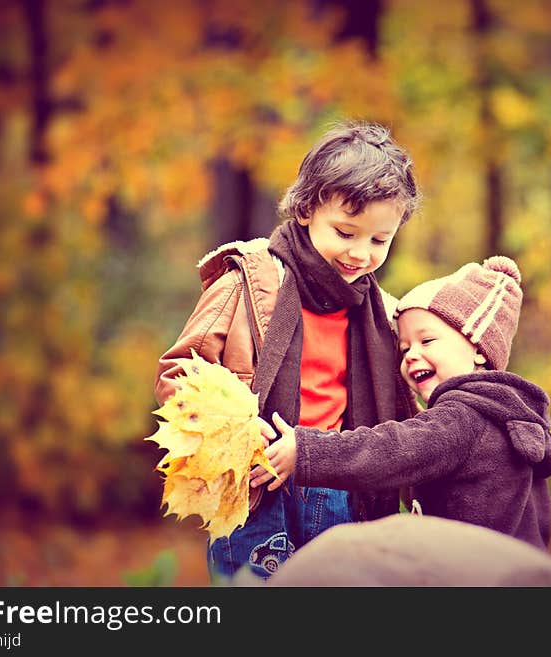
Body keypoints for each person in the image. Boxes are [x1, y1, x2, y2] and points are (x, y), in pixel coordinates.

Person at [154, 120, 421, 579]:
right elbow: (181, 375)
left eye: (379, 240)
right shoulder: (250, 283)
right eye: (345, 232)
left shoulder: (381, 314)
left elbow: (411, 417)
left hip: (341, 491)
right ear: (305, 210)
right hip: (257, 491)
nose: (361, 253)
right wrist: (240, 436)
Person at [251, 256, 551, 549]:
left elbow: (390, 450)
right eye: (403, 349)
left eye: (426, 340)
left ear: (479, 349)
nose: (412, 354)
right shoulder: (508, 416)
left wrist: (306, 450)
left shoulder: (463, 418)